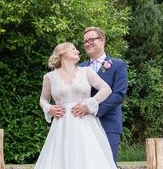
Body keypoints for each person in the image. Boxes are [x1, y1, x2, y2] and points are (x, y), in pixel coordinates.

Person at [34, 42, 117, 169]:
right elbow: (43, 99)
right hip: (62, 125)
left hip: (85, 123)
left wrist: (89, 105)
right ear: (62, 53)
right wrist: (49, 108)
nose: (78, 51)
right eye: (73, 49)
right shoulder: (50, 77)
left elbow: (106, 89)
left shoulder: (86, 71)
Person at [72, 27, 128, 164]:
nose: (87, 44)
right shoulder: (79, 68)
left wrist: (92, 109)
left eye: (91, 40)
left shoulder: (118, 65)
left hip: (108, 123)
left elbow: (119, 94)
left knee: (107, 163)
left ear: (101, 40)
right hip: (83, 124)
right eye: (85, 41)